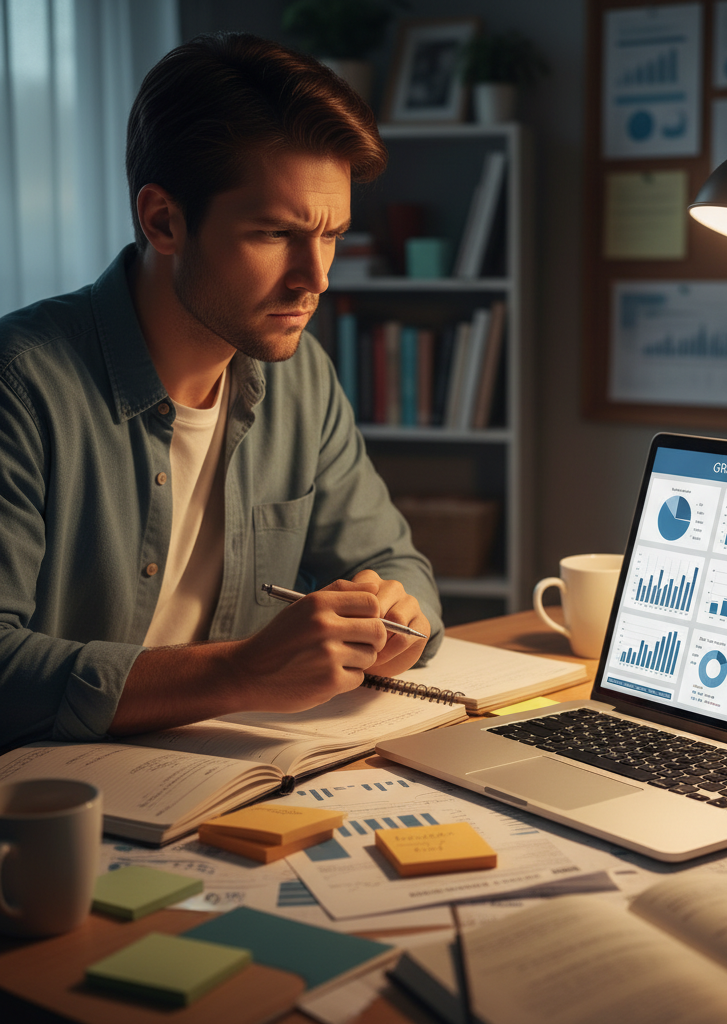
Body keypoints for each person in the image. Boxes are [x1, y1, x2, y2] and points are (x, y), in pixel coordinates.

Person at [0, 33, 442, 752]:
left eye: (331, 235)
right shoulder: (20, 385)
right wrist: (241, 671)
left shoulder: (302, 378)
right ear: (163, 220)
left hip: (228, 780)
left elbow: (398, 568)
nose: (316, 277)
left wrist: (398, 617)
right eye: (276, 233)